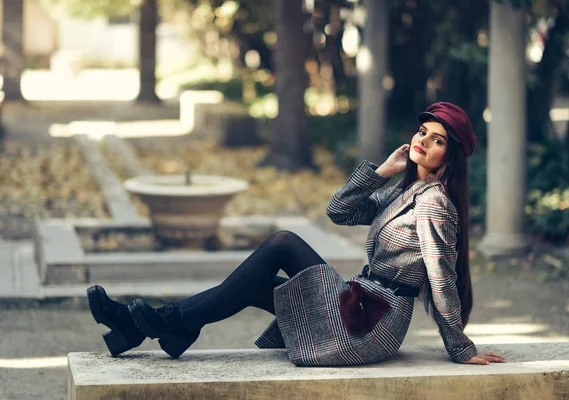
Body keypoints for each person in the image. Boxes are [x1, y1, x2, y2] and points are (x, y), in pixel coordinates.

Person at [87, 102, 506, 366]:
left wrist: (460, 347)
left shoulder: (435, 203)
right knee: (258, 284)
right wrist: (380, 173)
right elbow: (339, 211)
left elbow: (441, 274)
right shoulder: (406, 193)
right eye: (422, 133)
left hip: (370, 322)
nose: (423, 143)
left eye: (437, 141)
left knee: (284, 242)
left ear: (449, 158)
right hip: (360, 304)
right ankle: (148, 327)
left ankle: (165, 326)